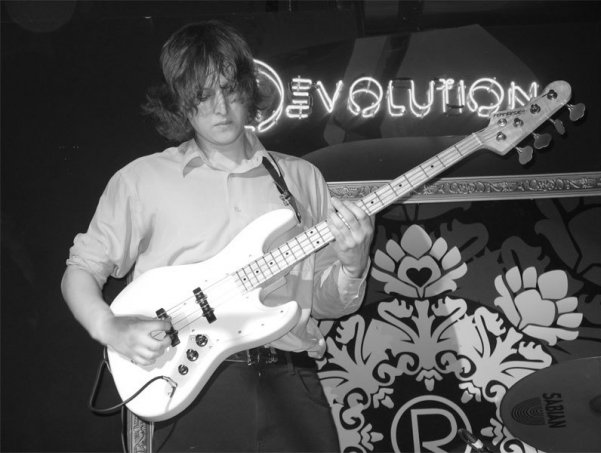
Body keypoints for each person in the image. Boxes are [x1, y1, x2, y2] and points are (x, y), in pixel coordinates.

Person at [61, 20, 374, 452]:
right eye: (203, 95)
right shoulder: (142, 180)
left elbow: (323, 301)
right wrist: (109, 326)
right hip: (193, 387)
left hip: (292, 376)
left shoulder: (301, 178)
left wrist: (354, 264)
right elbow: (80, 270)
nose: (221, 108)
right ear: (180, 103)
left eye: (230, 89)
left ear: (249, 87)